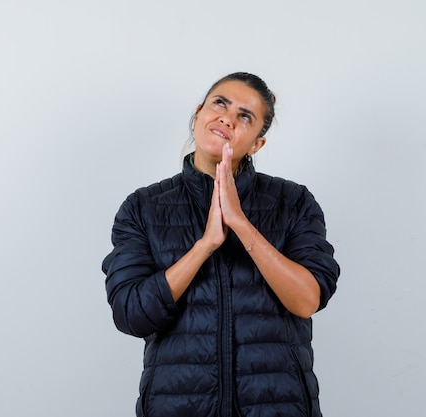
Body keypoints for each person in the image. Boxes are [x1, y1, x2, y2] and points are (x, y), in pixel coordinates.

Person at [102, 72, 340, 417]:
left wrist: (242, 226)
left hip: (278, 406)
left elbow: (307, 300)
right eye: (220, 103)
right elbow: (131, 315)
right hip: (176, 407)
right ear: (199, 113)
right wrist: (205, 245)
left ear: (257, 143)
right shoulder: (143, 207)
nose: (228, 118)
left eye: (245, 116)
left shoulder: (293, 202)